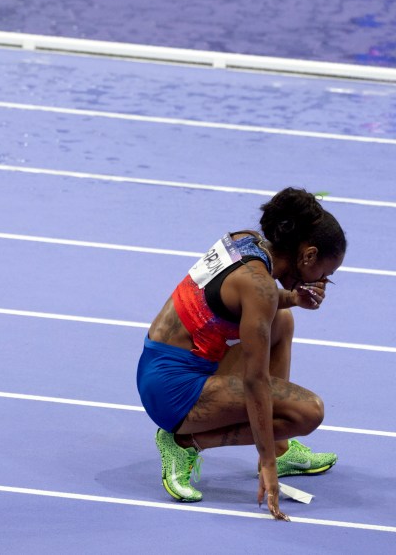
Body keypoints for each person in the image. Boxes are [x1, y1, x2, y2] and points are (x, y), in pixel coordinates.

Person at [136, 187, 346, 520]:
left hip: (162, 363)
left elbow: (246, 300)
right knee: (307, 413)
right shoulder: (260, 287)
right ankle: (185, 442)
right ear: (308, 255)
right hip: (172, 392)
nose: (324, 280)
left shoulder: (246, 241)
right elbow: (255, 382)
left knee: (282, 321)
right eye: (325, 273)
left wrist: (293, 298)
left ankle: (281, 448)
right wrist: (266, 465)